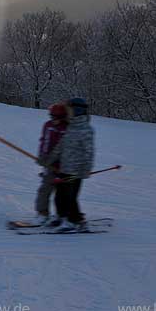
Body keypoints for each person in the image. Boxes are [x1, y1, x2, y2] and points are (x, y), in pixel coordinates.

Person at [49, 97, 96, 231]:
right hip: (65, 168)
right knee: (60, 194)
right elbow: (61, 146)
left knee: (69, 196)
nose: (66, 112)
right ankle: (62, 216)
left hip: (76, 171)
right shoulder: (71, 126)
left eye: (68, 109)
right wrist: (49, 159)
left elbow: (89, 152)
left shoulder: (86, 129)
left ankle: (74, 221)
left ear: (77, 110)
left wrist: (86, 169)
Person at [33, 101, 69, 226]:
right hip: (48, 164)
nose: (54, 120)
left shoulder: (67, 128)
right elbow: (43, 141)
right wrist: (42, 156)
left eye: (57, 117)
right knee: (44, 189)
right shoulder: (47, 126)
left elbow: (67, 149)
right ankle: (42, 213)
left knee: (61, 193)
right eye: (52, 116)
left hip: (63, 166)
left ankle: (63, 216)